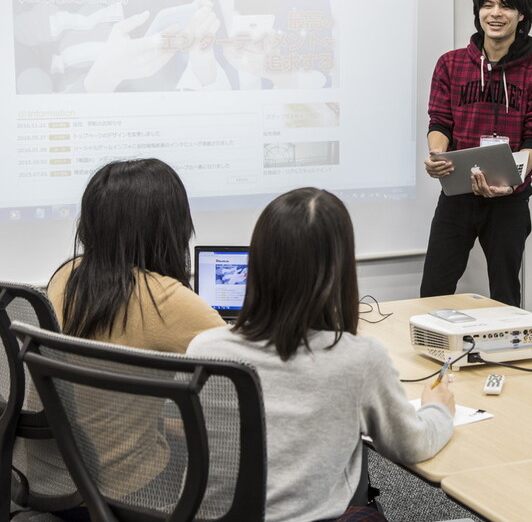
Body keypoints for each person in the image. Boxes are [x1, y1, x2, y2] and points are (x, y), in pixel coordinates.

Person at [188, 188, 455, 522]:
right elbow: (410, 445)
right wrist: (438, 409)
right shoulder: (358, 358)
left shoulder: (204, 348)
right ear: (339, 270)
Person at [35, 158, 225, 507]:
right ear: (171, 225)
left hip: (51, 480)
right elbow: (250, 364)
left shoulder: (67, 276)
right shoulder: (165, 298)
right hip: (124, 493)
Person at [420, 0, 532, 306]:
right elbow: (440, 121)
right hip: (457, 194)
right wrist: (437, 155)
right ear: (477, 12)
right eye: (487, 5)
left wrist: (512, 181)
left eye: (505, 6)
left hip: (509, 200)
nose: (495, 13)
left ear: (522, 15)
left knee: (505, 293)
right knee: (433, 289)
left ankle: (510, 355)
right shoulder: (451, 64)